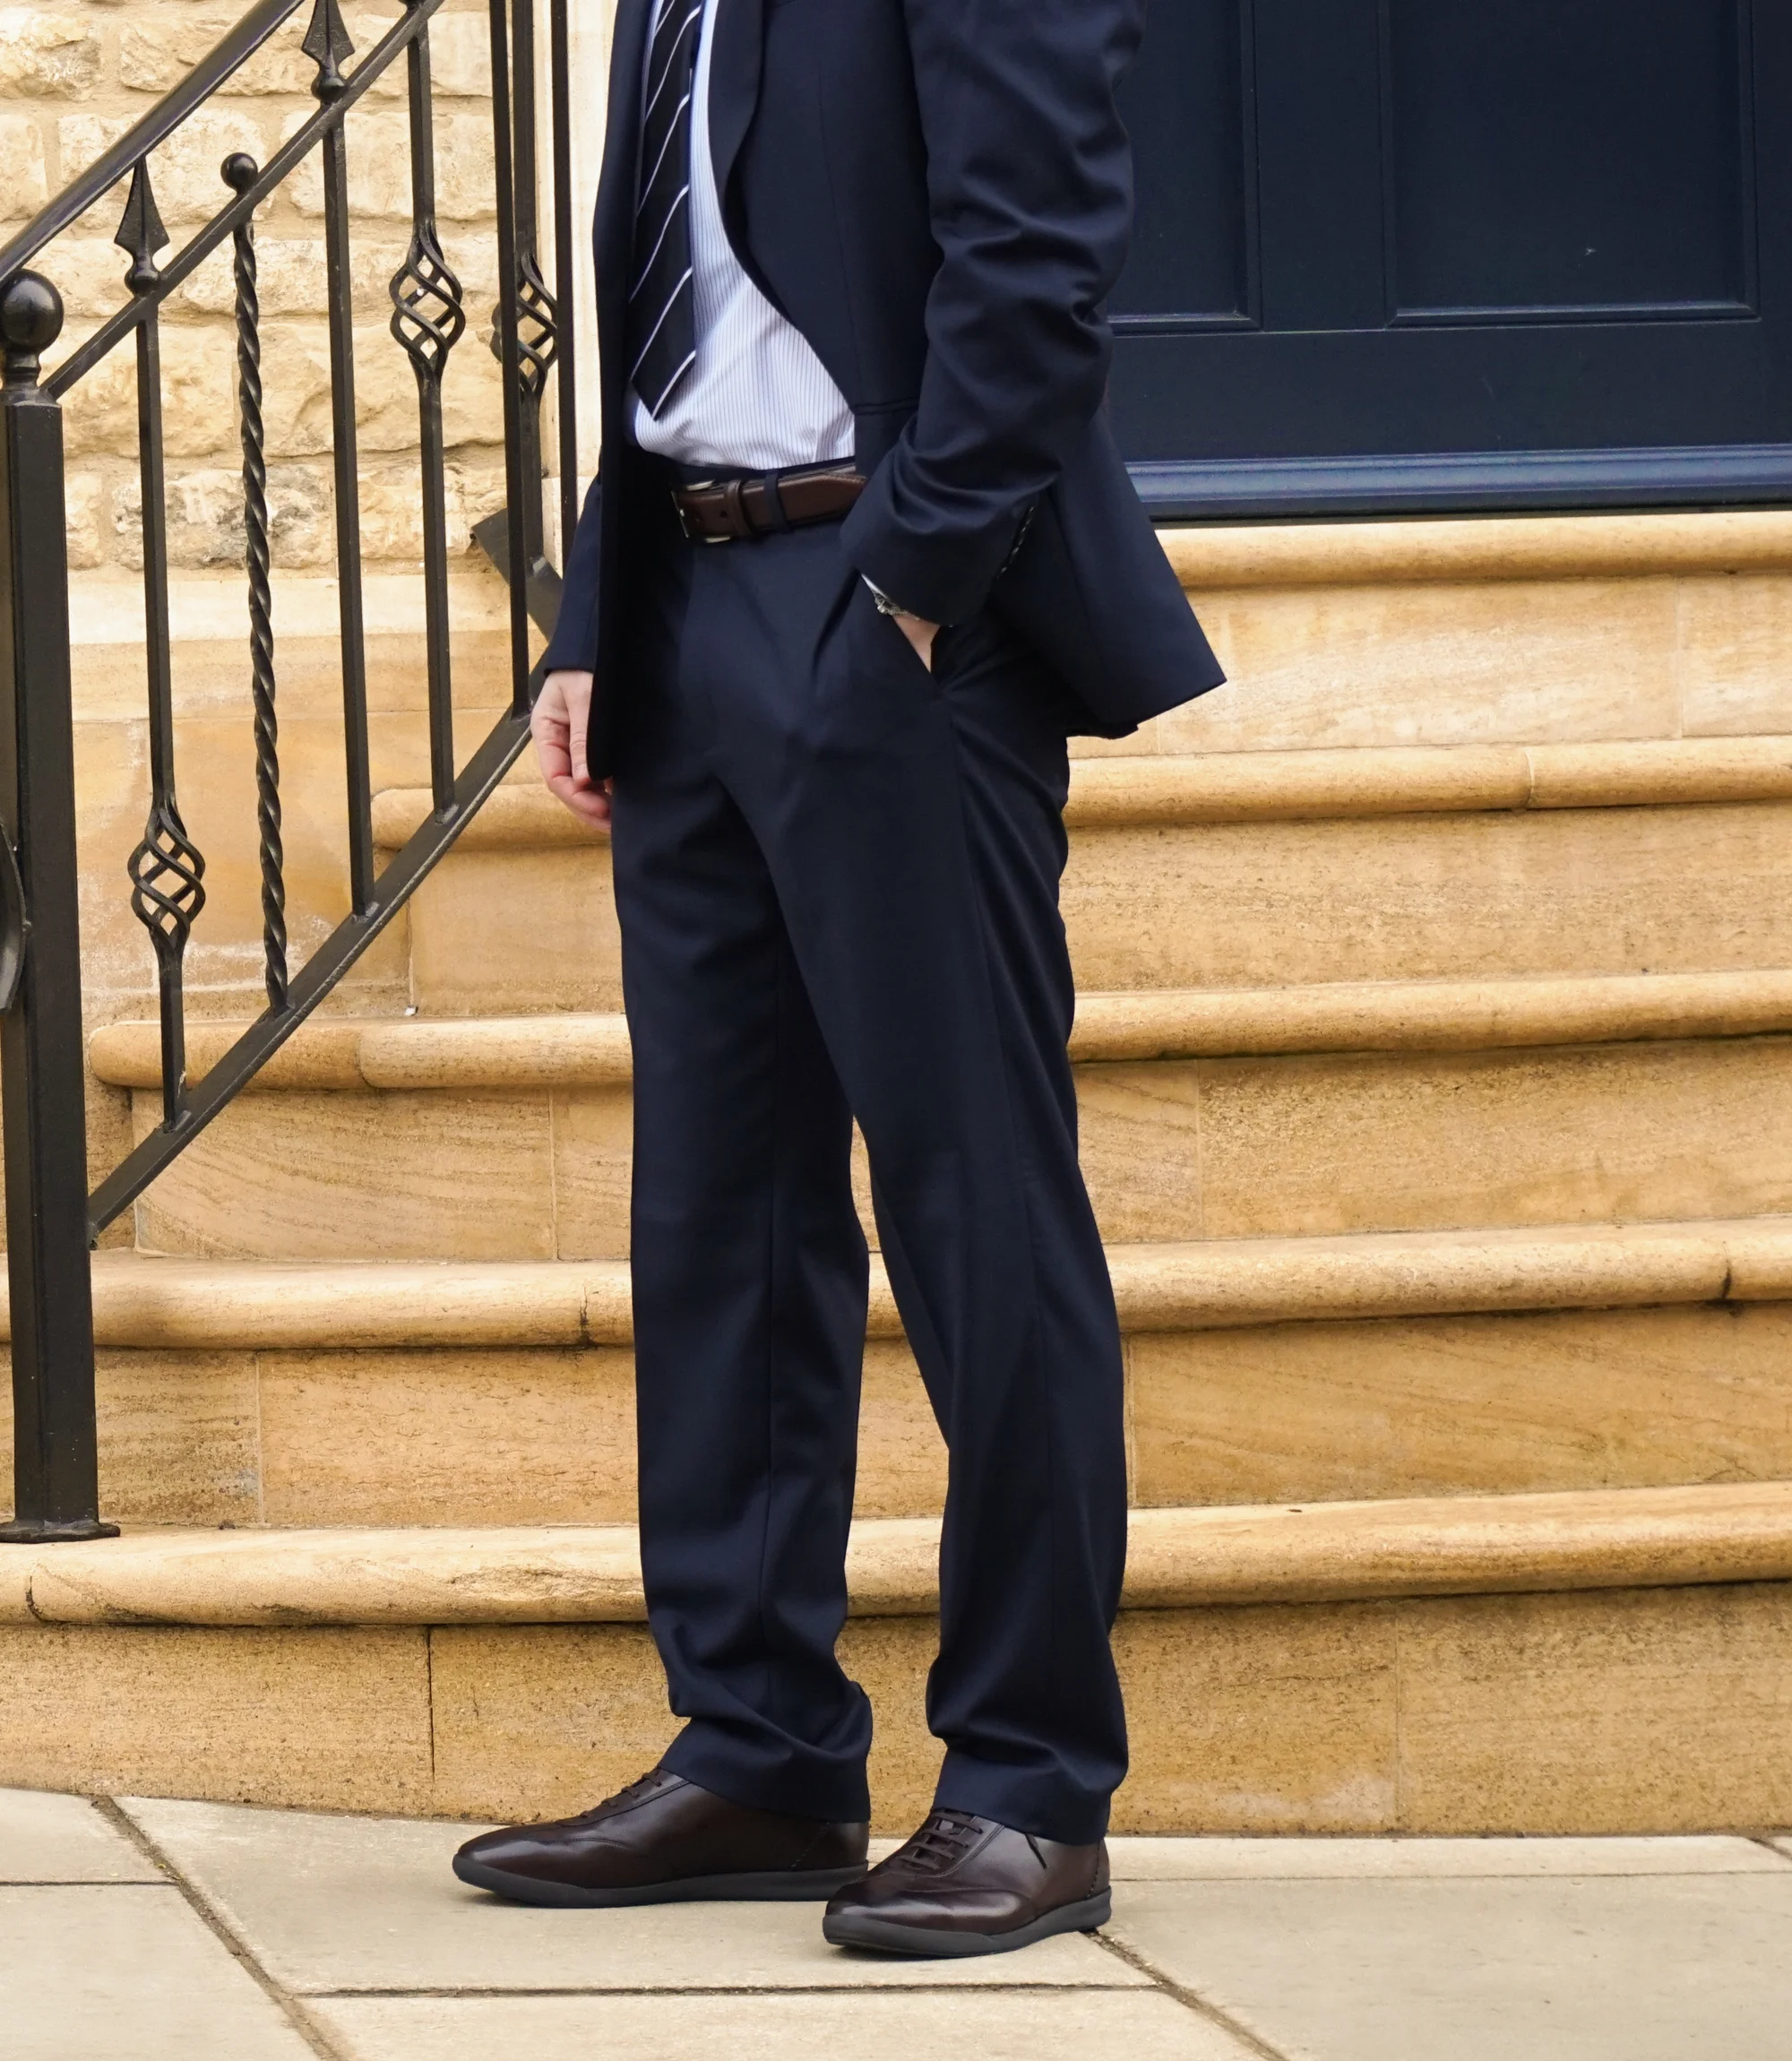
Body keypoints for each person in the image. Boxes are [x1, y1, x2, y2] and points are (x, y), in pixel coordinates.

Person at [452, 0, 1224, 1958]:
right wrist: (594, 622)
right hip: (692, 604)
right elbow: (667, 297)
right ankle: (762, 1743)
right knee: (722, 1211)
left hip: (887, 618)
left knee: (974, 1203)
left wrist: (914, 578)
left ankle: (1033, 1785)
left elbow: (1036, 253)